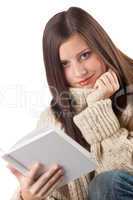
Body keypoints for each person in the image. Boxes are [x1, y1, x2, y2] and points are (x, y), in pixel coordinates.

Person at [9, 6, 133, 200]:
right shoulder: (52, 119)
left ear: (102, 48)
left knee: (106, 183)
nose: (79, 72)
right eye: (64, 64)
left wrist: (98, 108)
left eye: (85, 55)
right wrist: (28, 197)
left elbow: (123, 173)